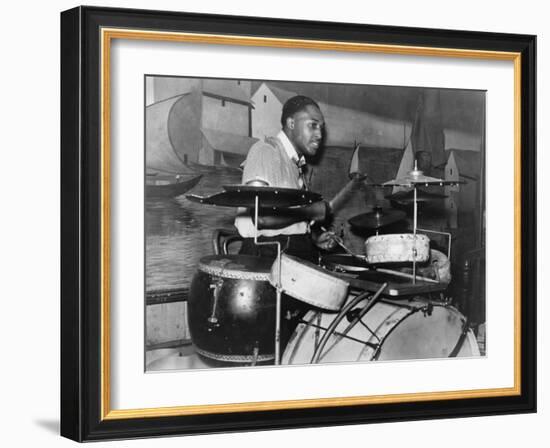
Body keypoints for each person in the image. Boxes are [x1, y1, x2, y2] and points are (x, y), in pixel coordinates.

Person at [235, 95, 337, 261]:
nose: (319, 134)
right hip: (266, 256)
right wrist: (310, 211)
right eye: (313, 125)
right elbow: (262, 218)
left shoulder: (294, 163)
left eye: (321, 128)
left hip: (289, 252)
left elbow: (286, 224)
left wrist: (313, 240)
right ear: (291, 123)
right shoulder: (265, 151)